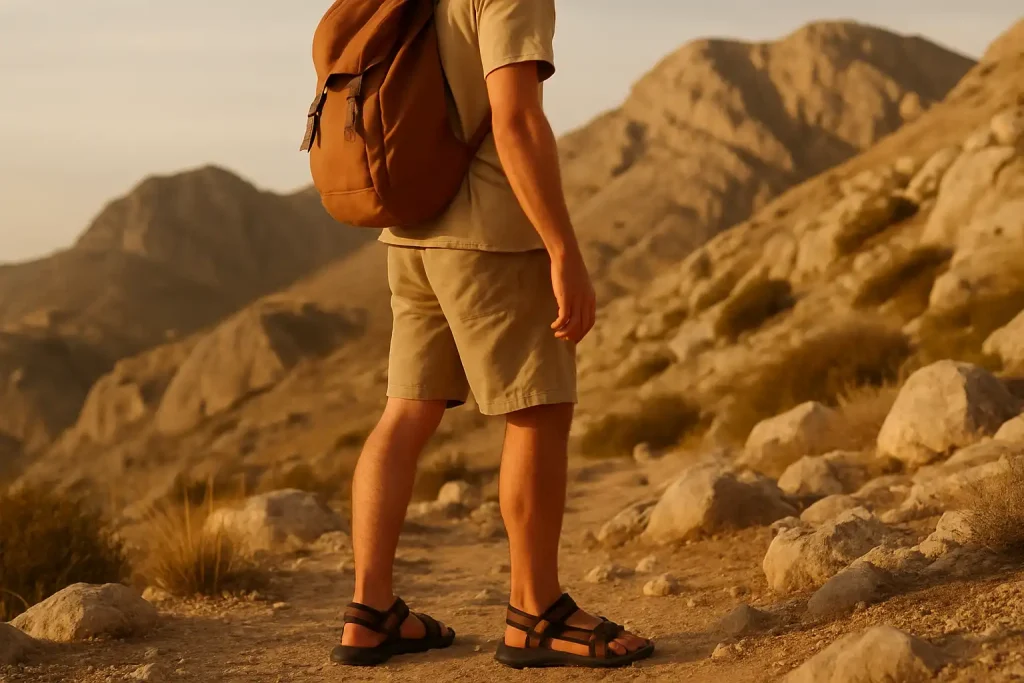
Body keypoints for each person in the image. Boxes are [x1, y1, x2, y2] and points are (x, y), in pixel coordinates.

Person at [329, 0, 654, 670]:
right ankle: (535, 610)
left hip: (411, 229)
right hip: (488, 235)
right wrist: (563, 248)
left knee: (406, 411)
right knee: (538, 406)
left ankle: (371, 611)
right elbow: (515, 118)